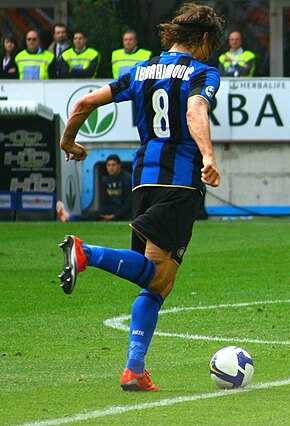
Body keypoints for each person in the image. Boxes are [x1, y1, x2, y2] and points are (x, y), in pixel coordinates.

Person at [56, 2, 225, 391]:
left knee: (158, 282)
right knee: (159, 277)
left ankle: (134, 368)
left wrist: (69, 141)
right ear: (202, 39)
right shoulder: (202, 72)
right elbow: (196, 110)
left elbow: (83, 103)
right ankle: (87, 253)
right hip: (180, 183)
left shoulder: (139, 70)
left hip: (142, 182)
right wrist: (210, 157)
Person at [56, 154, 132, 222]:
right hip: (111, 209)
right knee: (95, 214)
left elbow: (129, 203)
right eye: (108, 165)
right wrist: (102, 213)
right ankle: (70, 218)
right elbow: (105, 201)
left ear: (119, 166)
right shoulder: (106, 180)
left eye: (113, 165)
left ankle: (71, 218)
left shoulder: (127, 179)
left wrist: (114, 216)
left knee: (96, 215)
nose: (111, 168)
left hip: (123, 211)